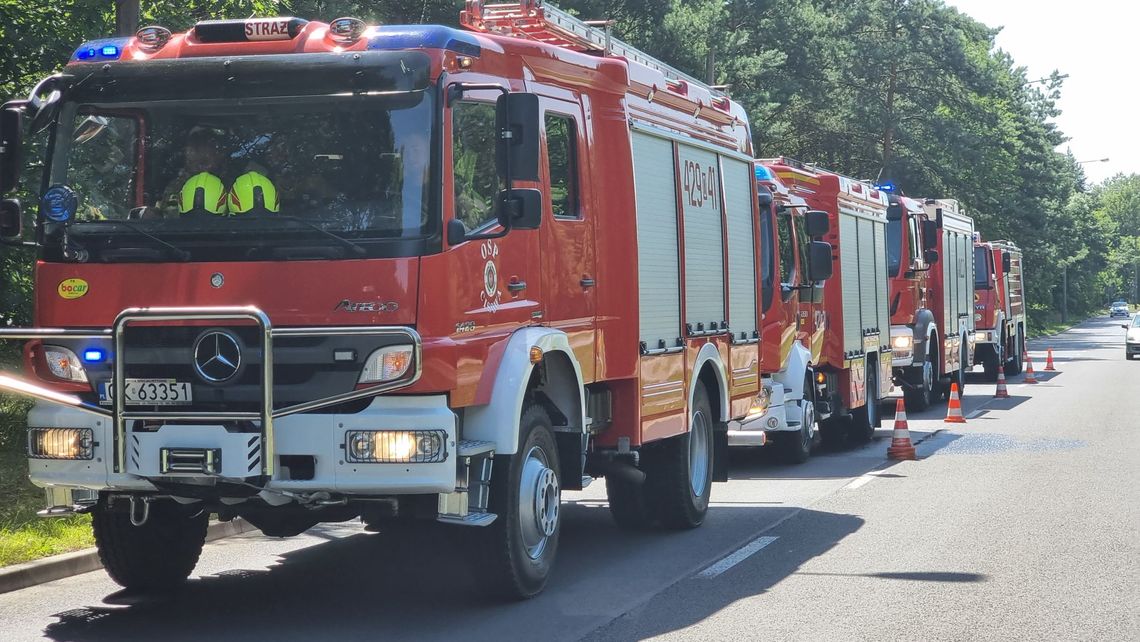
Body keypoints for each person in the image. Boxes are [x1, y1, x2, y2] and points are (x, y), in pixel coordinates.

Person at [156, 127, 230, 216]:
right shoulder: (177, 187)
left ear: (219, 155)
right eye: (195, 150)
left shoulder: (232, 186)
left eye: (208, 152)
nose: (195, 156)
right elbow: (169, 217)